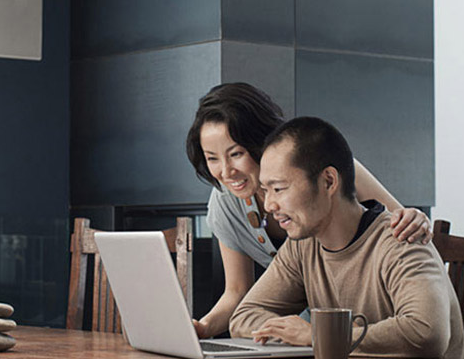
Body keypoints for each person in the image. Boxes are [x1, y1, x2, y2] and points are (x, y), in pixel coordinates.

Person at [185, 83, 434, 339]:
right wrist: (202, 328)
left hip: (360, 323)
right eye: (212, 158)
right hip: (312, 321)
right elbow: (238, 294)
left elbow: (398, 225)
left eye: (236, 153)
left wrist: (416, 220)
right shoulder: (232, 206)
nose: (226, 172)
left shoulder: (326, 169)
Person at [228, 117, 464, 359]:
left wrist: (316, 336)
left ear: (328, 181)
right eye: (265, 190)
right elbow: (244, 316)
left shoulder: (402, 238)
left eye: (279, 189)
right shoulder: (302, 246)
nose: (269, 205)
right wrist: (293, 331)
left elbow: (427, 333)